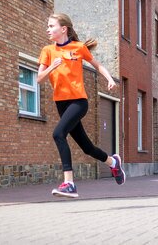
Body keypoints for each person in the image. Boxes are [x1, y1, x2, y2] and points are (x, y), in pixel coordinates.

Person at [38, 13, 125, 198]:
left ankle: (69, 183)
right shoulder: (47, 50)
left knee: (58, 134)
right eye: (48, 26)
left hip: (78, 102)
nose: (48, 29)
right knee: (86, 147)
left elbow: (98, 65)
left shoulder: (78, 48)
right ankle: (113, 162)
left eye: (51, 26)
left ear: (63, 29)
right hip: (61, 103)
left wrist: (110, 79)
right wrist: (52, 67)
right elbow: (39, 78)